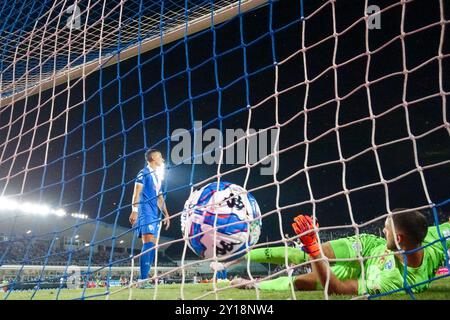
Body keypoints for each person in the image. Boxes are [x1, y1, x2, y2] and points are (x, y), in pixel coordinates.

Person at [231, 209, 449, 296]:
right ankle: (239, 255)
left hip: (364, 274)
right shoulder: (434, 239)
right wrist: (314, 251)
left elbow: (339, 289)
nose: (383, 229)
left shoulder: (397, 281)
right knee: (304, 255)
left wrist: (315, 249)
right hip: (368, 247)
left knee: (302, 282)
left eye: (387, 227)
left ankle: (252, 284)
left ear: (399, 239)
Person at [129, 149, 170, 288]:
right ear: (153, 157)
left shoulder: (157, 177)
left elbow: (159, 198)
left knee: (152, 244)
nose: (162, 159)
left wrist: (166, 214)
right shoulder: (143, 172)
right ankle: (142, 280)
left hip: (154, 214)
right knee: (148, 242)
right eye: (160, 156)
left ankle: (144, 277)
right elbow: (137, 192)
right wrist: (134, 210)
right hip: (144, 211)